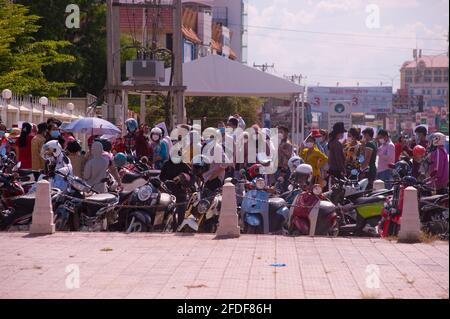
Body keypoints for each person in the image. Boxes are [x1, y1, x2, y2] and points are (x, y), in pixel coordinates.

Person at [160, 150, 193, 228]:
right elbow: (161, 177)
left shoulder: (184, 165)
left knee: (181, 212)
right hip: (168, 192)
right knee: (167, 212)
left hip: (181, 192)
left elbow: (191, 178)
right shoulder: (166, 164)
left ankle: (180, 227)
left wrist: (183, 180)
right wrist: (167, 181)